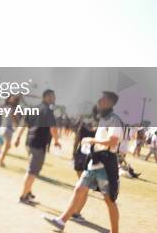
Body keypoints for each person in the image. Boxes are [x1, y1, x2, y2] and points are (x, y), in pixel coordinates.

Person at [43, 91, 123, 233]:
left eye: (102, 99)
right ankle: (62, 221)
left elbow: (113, 141)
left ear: (110, 103)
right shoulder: (105, 119)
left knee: (109, 200)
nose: (99, 100)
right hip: (95, 161)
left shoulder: (114, 120)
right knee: (79, 189)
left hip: (105, 164)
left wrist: (91, 140)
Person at [16, 89, 60, 204]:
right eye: (51, 97)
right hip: (38, 144)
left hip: (29, 142)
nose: (53, 99)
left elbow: (23, 124)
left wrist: (18, 138)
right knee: (32, 171)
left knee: (31, 168)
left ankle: (28, 192)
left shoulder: (33, 108)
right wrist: (56, 141)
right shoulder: (48, 111)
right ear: (45, 97)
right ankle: (23, 196)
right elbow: (53, 129)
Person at [68, 106, 98, 221]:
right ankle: (76, 213)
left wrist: (73, 154)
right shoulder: (101, 126)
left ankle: (75, 211)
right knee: (84, 187)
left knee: (82, 185)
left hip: (80, 156)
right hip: (90, 158)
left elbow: (76, 140)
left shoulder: (83, 123)